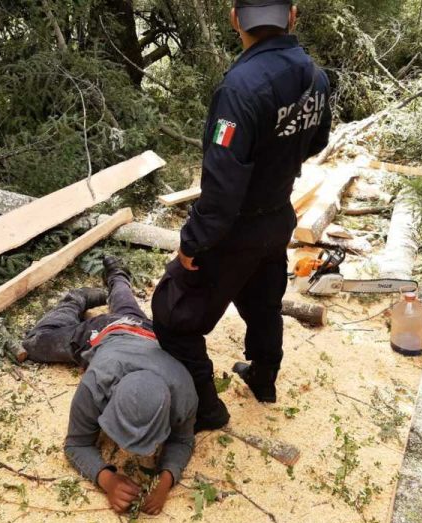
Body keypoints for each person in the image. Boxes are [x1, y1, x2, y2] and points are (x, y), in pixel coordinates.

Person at [152, 0, 332, 432]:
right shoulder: (317, 77)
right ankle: (264, 378)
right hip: (277, 217)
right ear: (292, 16)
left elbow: (222, 185)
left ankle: (207, 411)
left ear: (236, 20)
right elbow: (316, 141)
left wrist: (192, 244)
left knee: (172, 317)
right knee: (263, 301)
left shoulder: (240, 88)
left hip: (235, 230)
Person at [22, 256, 197, 515]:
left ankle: (118, 275)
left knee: (125, 308)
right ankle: (76, 300)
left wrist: (166, 481)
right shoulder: (96, 383)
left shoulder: (184, 392)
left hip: (144, 330)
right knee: (35, 342)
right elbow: (76, 444)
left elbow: (183, 440)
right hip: (102, 334)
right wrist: (107, 479)